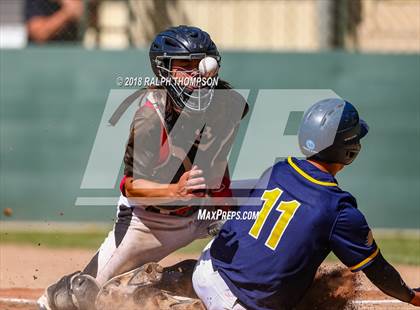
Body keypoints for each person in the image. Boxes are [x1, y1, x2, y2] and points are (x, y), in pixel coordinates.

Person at [37, 25, 248, 310]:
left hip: (201, 210)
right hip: (150, 221)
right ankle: (137, 289)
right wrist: (177, 190)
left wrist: (225, 210)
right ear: (163, 71)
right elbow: (133, 187)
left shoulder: (228, 103)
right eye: (183, 67)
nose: (196, 75)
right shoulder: (151, 116)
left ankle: (186, 279)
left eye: (200, 64)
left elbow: (217, 158)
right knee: (83, 297)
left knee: (261, 240)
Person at [192, 98, 420, 310]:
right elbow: (378, 270)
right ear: (348, 150)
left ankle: (180, 280)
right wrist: (413, 297)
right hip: (239, 303)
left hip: (205, 270)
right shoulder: (338, 209)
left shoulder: (280, 170)